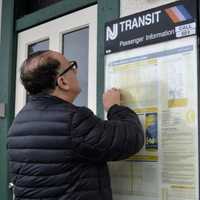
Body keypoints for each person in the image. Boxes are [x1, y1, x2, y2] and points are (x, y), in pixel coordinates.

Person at [7, 50, 144, 200]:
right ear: (62, 82)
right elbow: (131, 138)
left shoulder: (18, 122)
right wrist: (114, 108)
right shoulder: (72, 120)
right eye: (71, 67)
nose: (76, 71)